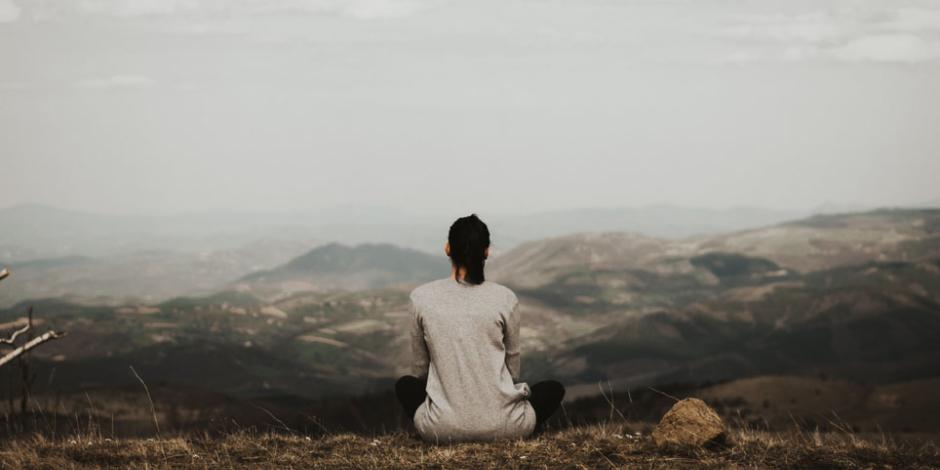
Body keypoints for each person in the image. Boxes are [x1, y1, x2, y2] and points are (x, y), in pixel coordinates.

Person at [394, 213, 565, 443]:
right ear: (487, 252)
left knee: (405, 385)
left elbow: (421, 371)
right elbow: (512, 371)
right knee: (552, 389)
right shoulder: (505, 298)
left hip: (441, 430)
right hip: (508, 427)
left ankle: (447, 423)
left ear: (447, 249)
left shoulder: (421, 298)